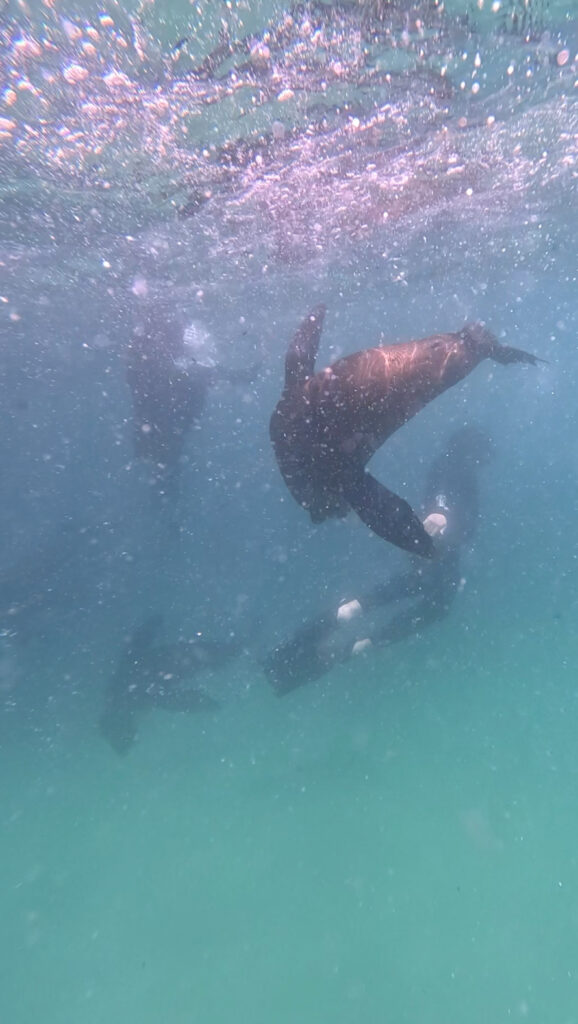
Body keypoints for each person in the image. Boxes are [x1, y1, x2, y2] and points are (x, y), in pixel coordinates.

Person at [263, 425, 495, 695]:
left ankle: (304, 652)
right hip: (438, 552)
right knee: (433, 603)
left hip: (438, 553)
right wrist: (440, 517)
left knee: (416, 596)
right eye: (482, 449)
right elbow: (441, 499)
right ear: (470, 448)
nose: (486, 457)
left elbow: (446, 505)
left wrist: (439, 526)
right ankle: (333, 651)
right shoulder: (454, 467)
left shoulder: (454, 468)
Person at [126, 303, 258, 499]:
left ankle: (164, 499)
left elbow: (187, 374)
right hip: (160, 426)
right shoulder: (153, 357)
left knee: (164, 468)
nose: (182, 340)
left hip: (159, 426)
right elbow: (183, 375)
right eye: (178, 336)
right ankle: (164, 501)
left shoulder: (151, 353)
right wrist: (235, 375)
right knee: (165, 469)